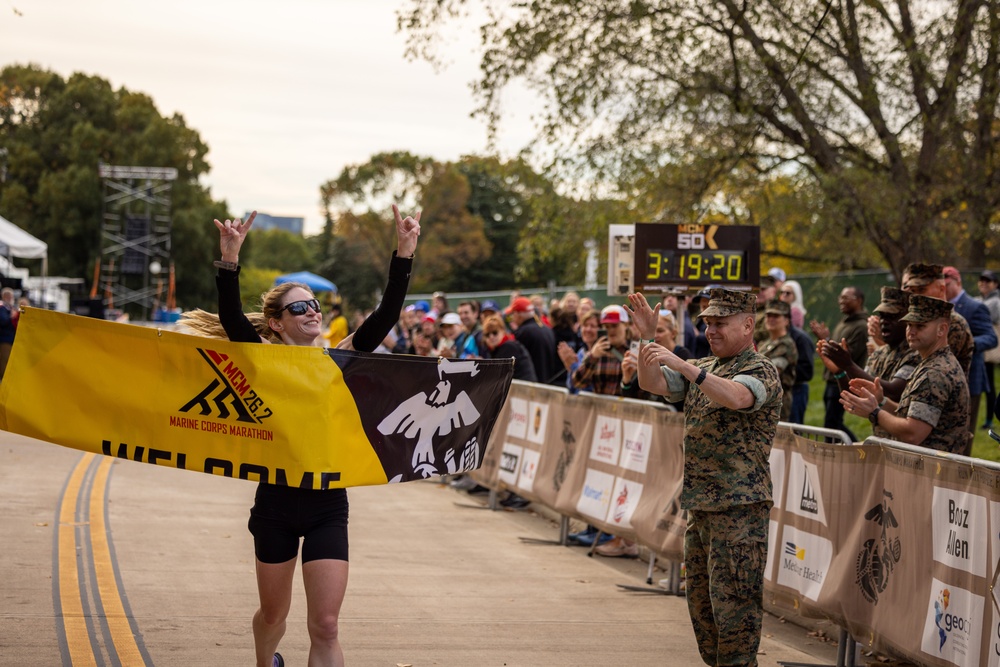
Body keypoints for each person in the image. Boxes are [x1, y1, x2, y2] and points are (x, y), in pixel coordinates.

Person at [181, 205, 420, 667]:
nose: (311, 311)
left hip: (328, 504)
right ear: (277, 323)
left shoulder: (341, 357)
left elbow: (386, 314)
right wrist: (229, 259)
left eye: (313, 304)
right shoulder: (263, 363)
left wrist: (404, 253)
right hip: (274, 505)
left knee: (325, 625)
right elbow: (231, 318)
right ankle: (264, 662)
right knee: (274, 615)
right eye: (299, 307)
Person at [628, 288, 780, 667]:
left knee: (735, 613)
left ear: (747, 325)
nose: (710, 330)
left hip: (739, 509)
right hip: (702, 508)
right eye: (707, 323)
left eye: (720, 323)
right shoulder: (704, 366)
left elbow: (737, 398)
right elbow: (652, 384)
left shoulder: (760, 368)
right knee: (704, 611)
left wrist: (684, 366)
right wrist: (647, 338)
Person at [840, 295, 970, 455]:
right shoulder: (933, 362)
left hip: (931, 472)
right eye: (909, 325)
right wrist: (881, 402)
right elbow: (914, 414)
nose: (911, 331)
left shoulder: (935, 372)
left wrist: (874, 412)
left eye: (920, 326)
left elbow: (912, 433)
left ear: (942, 329)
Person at [821, 287, 919, 406]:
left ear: (908, 320)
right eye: (882, 316)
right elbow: (856, 395)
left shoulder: (915, 353)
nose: (884, 321)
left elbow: (893, 392)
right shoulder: (879, 354)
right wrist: (840, 371)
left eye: (891, 316)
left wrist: (849, 365)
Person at [943, 266, 997, 443]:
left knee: (963, 438)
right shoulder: (940, 307)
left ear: (958, 281)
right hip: (944, 380)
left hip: (969, 379)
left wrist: (967, 344)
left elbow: (991, 338)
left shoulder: (975, 306)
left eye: (947, 282)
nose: (943, 286)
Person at [810, 286, 868, 441]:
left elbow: (847, 358)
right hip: (831, 380)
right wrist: (825, 340)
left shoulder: (861, 327)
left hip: (842, 381)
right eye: (840, 298)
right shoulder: (845, 323)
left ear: (859, 301)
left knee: (832, 424)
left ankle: (853, 448)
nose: (841, 301)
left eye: (846, 298)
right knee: (832, 423)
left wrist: (827, 341)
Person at [759, 299, 797, 421]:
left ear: (786, 321)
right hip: (762, 401)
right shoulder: (765, 344)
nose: (771, 319)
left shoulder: (786, 345)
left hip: (777, 404)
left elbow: (770, 372)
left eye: (776, 316)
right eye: (768, 315)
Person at [506, 296, 559, 385]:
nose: (512, 318)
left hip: (533, 385)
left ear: (517, 314)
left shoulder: (522, 333)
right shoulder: (547, 329)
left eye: (512, 314)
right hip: (549, 383)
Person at [978, 270, 1000, 430]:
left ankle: (989, 419)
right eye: (982, 280)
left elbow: (979, 315)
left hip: (991, 350)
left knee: (990, 384)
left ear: (995, 284)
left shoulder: (995, 302)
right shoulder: (981, 300)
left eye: (988, 280)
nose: (984, 283)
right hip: (984, 350)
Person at [0, 287, 16, 381]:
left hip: (9, 338)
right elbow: (3, 321)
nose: (11, 298)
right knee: (4, 360)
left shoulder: (9, 308)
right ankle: (3, 379)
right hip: (5, 339)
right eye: (9, 296)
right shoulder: (2, 308)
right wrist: (11, 316)